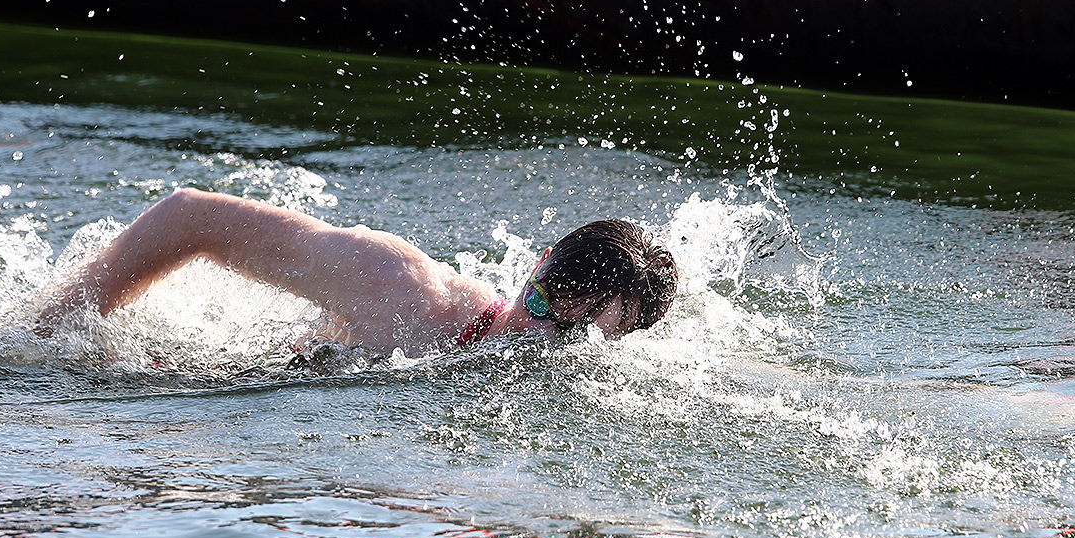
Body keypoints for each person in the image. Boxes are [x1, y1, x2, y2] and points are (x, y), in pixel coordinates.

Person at [35, 187, 677, 354]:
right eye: (542, 308)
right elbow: (189, 216)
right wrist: (45, 330)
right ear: (535, 267)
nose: (537, 338)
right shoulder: (396, 288)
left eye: (575, 338)